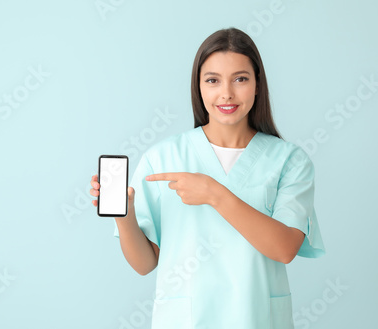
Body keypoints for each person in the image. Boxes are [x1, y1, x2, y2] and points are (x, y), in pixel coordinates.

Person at [90, 27, 325, 329]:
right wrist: (124, 216)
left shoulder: (290, 161)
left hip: (257, 318)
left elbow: (284, 249)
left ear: (257, 85)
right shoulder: (162, 158)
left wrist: (216, 194)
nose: (226, 93)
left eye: (240, 79)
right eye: (212, 80)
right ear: (198, 87)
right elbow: (145, 264)